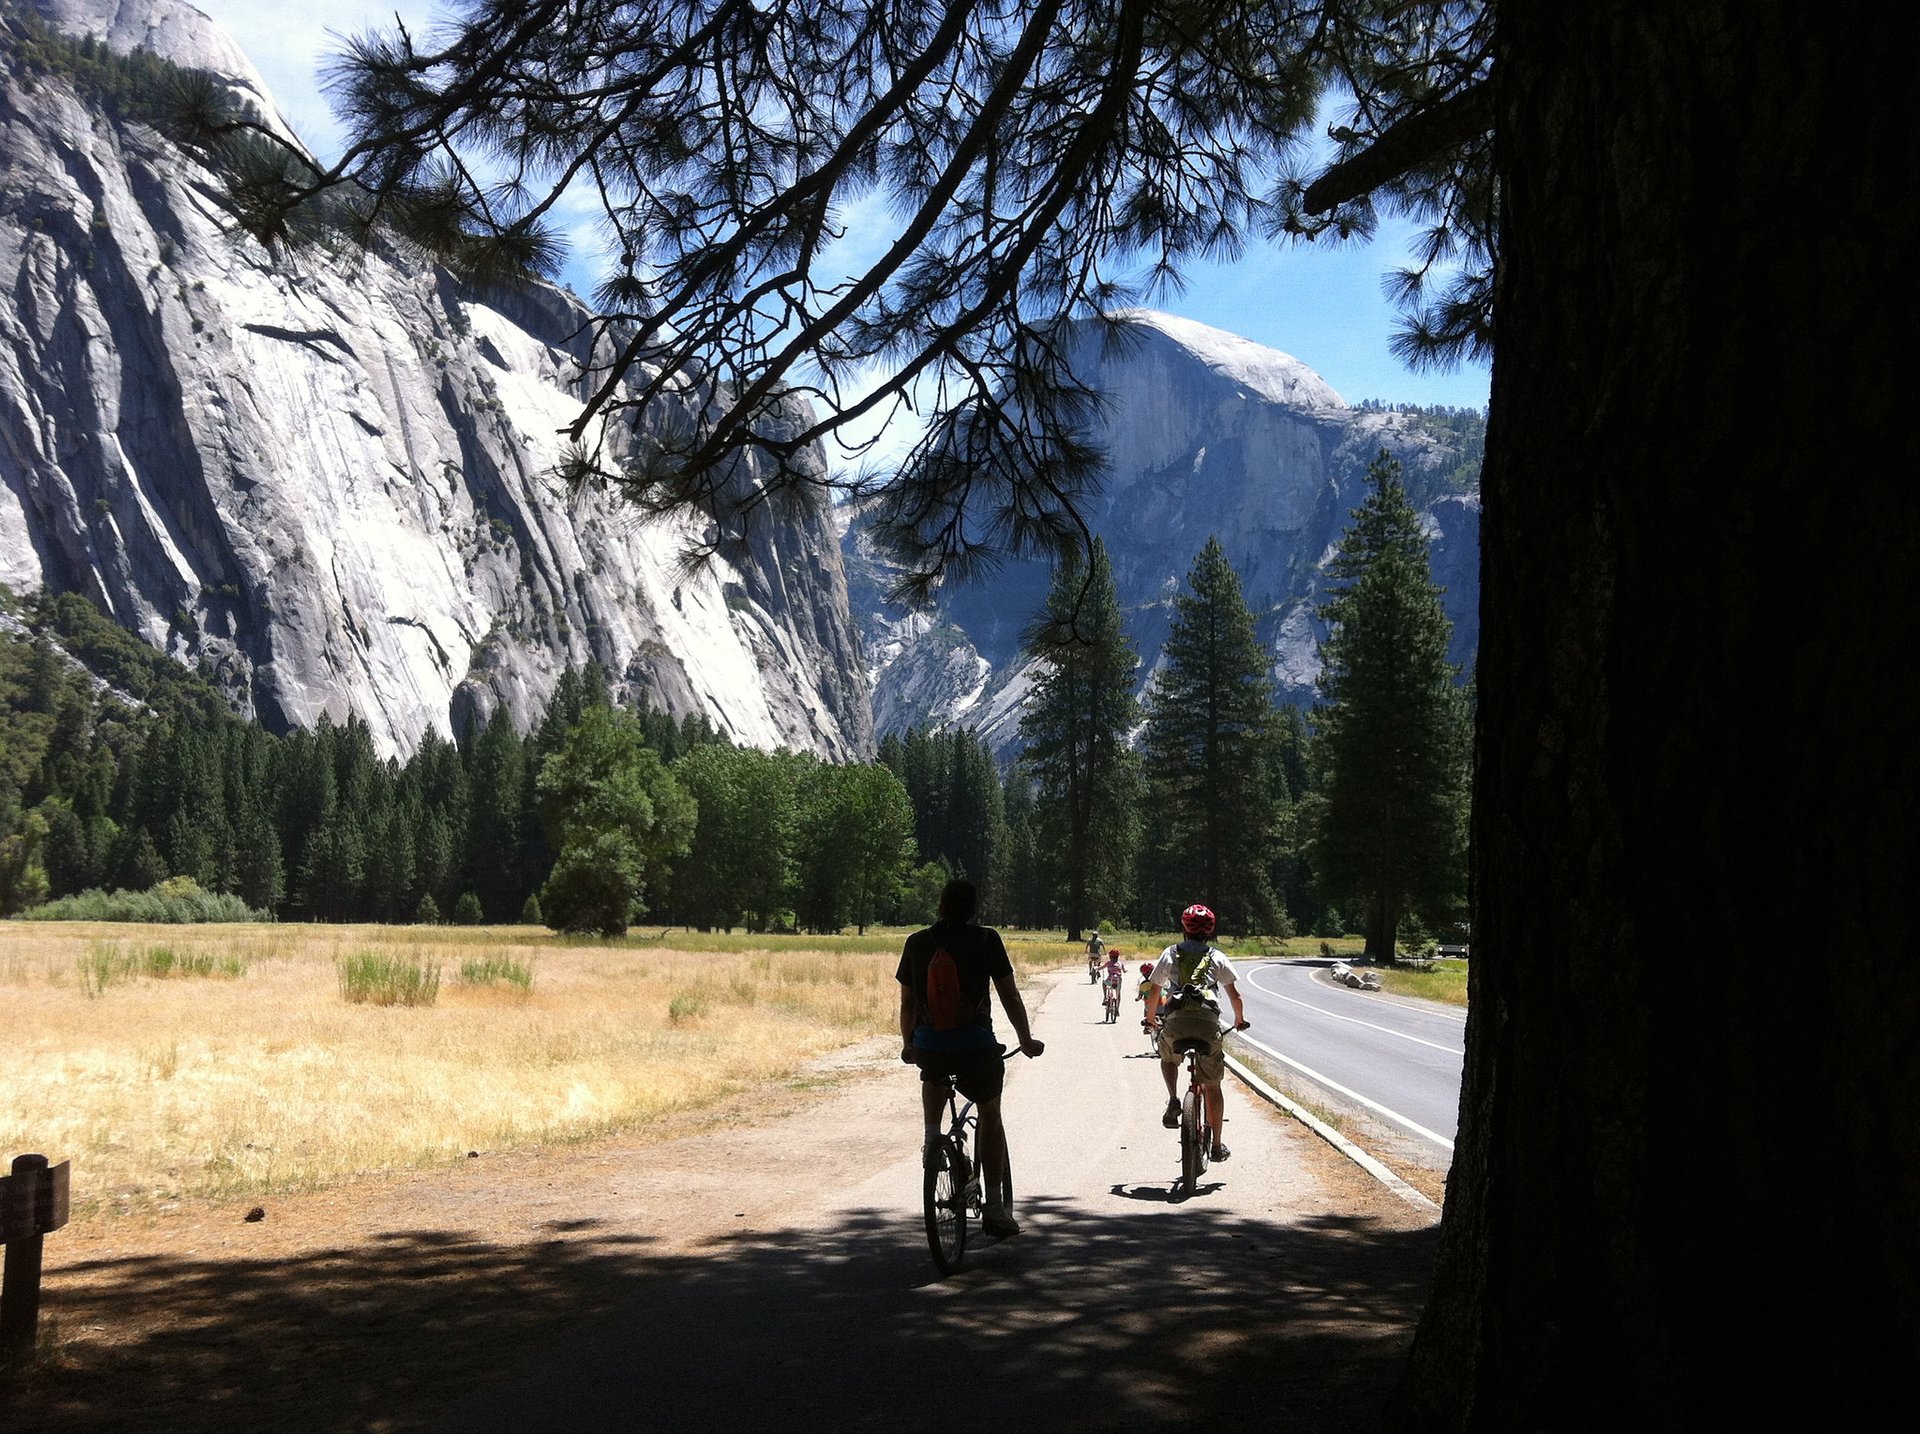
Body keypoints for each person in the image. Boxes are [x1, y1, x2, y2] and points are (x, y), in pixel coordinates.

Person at [898, 879, 1045, 1237]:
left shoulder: (916, 943)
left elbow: (907, 1004)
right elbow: (1010, 997)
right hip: (975, 1046)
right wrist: (1025, 1040)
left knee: (931, 1074)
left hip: (929, 1045)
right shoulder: (986, 939)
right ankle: (995, 1208)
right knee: (990, 1115)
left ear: (940, 906)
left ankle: (932, 1140)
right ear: (973, 909)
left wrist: (908, 1045)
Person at [1144, 903, 1249, 1161]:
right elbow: (1234, 995)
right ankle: (1216, 1146)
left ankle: (1173, 1099)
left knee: (1168, 1057)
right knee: (1212, 1085)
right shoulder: (1217, 956)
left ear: (1184, 928)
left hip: (1176, 1021)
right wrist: (1239, 1020)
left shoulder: (1170, 953)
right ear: (1210, 931)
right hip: (1207, 1023)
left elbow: (1154, 990)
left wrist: (1150, 1020)